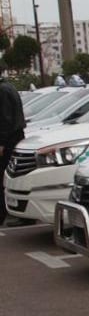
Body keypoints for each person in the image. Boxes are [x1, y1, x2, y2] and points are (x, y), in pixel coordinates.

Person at [0, 74, 27, 225]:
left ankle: (4, 213)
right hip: (16, 136)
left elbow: (5, 119)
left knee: (5, 177)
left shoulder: (2, 90)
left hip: (9, 139)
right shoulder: (8, 87)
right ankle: (19, 214)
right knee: (14, 175)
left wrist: (1, 143)